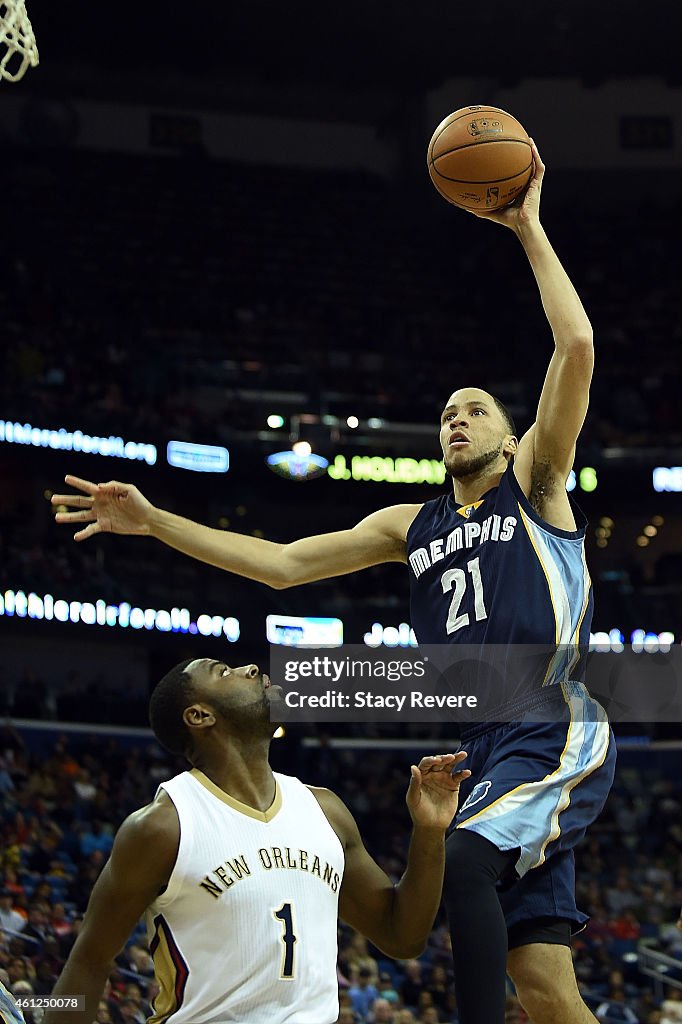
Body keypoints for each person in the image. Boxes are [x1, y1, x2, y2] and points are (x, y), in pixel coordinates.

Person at [52, 140, 615, 1023]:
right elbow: (279, 564)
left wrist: (528, 229)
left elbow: (575, 342)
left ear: (512, 438)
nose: (455, 420)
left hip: (549, 719)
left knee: (464, 862)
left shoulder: (536, 485)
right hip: (481, 747)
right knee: (543, 983)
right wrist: (154, 520)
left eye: (475, 410)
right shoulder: (408, 526)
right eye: (445, 414)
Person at [46, 658, 470, 1023]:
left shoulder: (325, 810)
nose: (251, 668)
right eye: (224, 671)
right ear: (199, 716)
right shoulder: (163, 827)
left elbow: (403, 936)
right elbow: (89, 961)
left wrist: (429, 831)